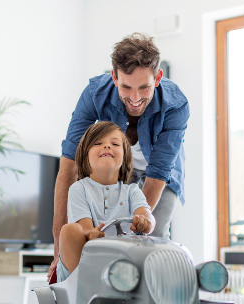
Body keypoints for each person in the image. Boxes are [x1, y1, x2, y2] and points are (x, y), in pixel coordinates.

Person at [48, 32, 189, 281]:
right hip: (118, 166)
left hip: (160, 173)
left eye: (144, 87)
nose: (135, 99)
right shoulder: (94, 94)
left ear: (157, 78)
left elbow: (157, 174)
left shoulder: (176, 105)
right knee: (95, 233)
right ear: (114, 77)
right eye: (126, 87)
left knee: (153, 238)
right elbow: (68, 166)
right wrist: (58, 248)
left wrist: (134, 227)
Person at [56, 121, 155, 282]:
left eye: (115, 144)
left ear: (125, 156)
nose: (107, 146)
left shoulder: (132, 191)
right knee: (70, 230)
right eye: (98, 143)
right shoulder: (79, 189)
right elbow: (84, 228)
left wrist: (146, 222)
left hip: (122, 266)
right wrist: (90, 234)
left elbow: (146, 214)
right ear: (85, 155)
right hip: (85, 262)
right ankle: (84, 287)